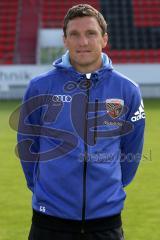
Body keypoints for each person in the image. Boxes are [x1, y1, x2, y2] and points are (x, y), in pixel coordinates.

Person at [17, 4, 145, 240]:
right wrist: (42, 187)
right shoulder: (40, 87)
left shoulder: (127, 90)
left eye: (91, 33)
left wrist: (109, 189)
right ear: (64, 40)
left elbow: (132, 149)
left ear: (104, 39)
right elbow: (27, 144)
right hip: (49, 221)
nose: (82, 42)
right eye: (74, 34)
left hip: (106, 222)